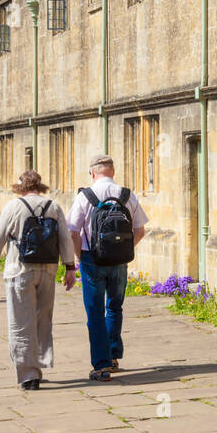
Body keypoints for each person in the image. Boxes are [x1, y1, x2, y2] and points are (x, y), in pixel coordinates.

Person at [0, 170, 77, 390]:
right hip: (48, 270)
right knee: (42, 320)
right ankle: (39, 364)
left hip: (20, 269)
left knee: (20, 323)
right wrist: (70, 268)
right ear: (39, 186)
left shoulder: (13, 207)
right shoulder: (53, 206)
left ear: (21, 188)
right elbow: (65, 238)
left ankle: (28, 375)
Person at [67, 154, 147, 382]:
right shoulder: (127, 195)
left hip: (93, 260)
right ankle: (113, 356)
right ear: (113, 171)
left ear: (92, 173)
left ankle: (101, 365)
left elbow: (72, 230)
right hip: (119, 262)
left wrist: (78, 256)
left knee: (95, 312)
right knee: (114, 308)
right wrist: (123, 250)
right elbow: (140, 231)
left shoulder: (86, 196)